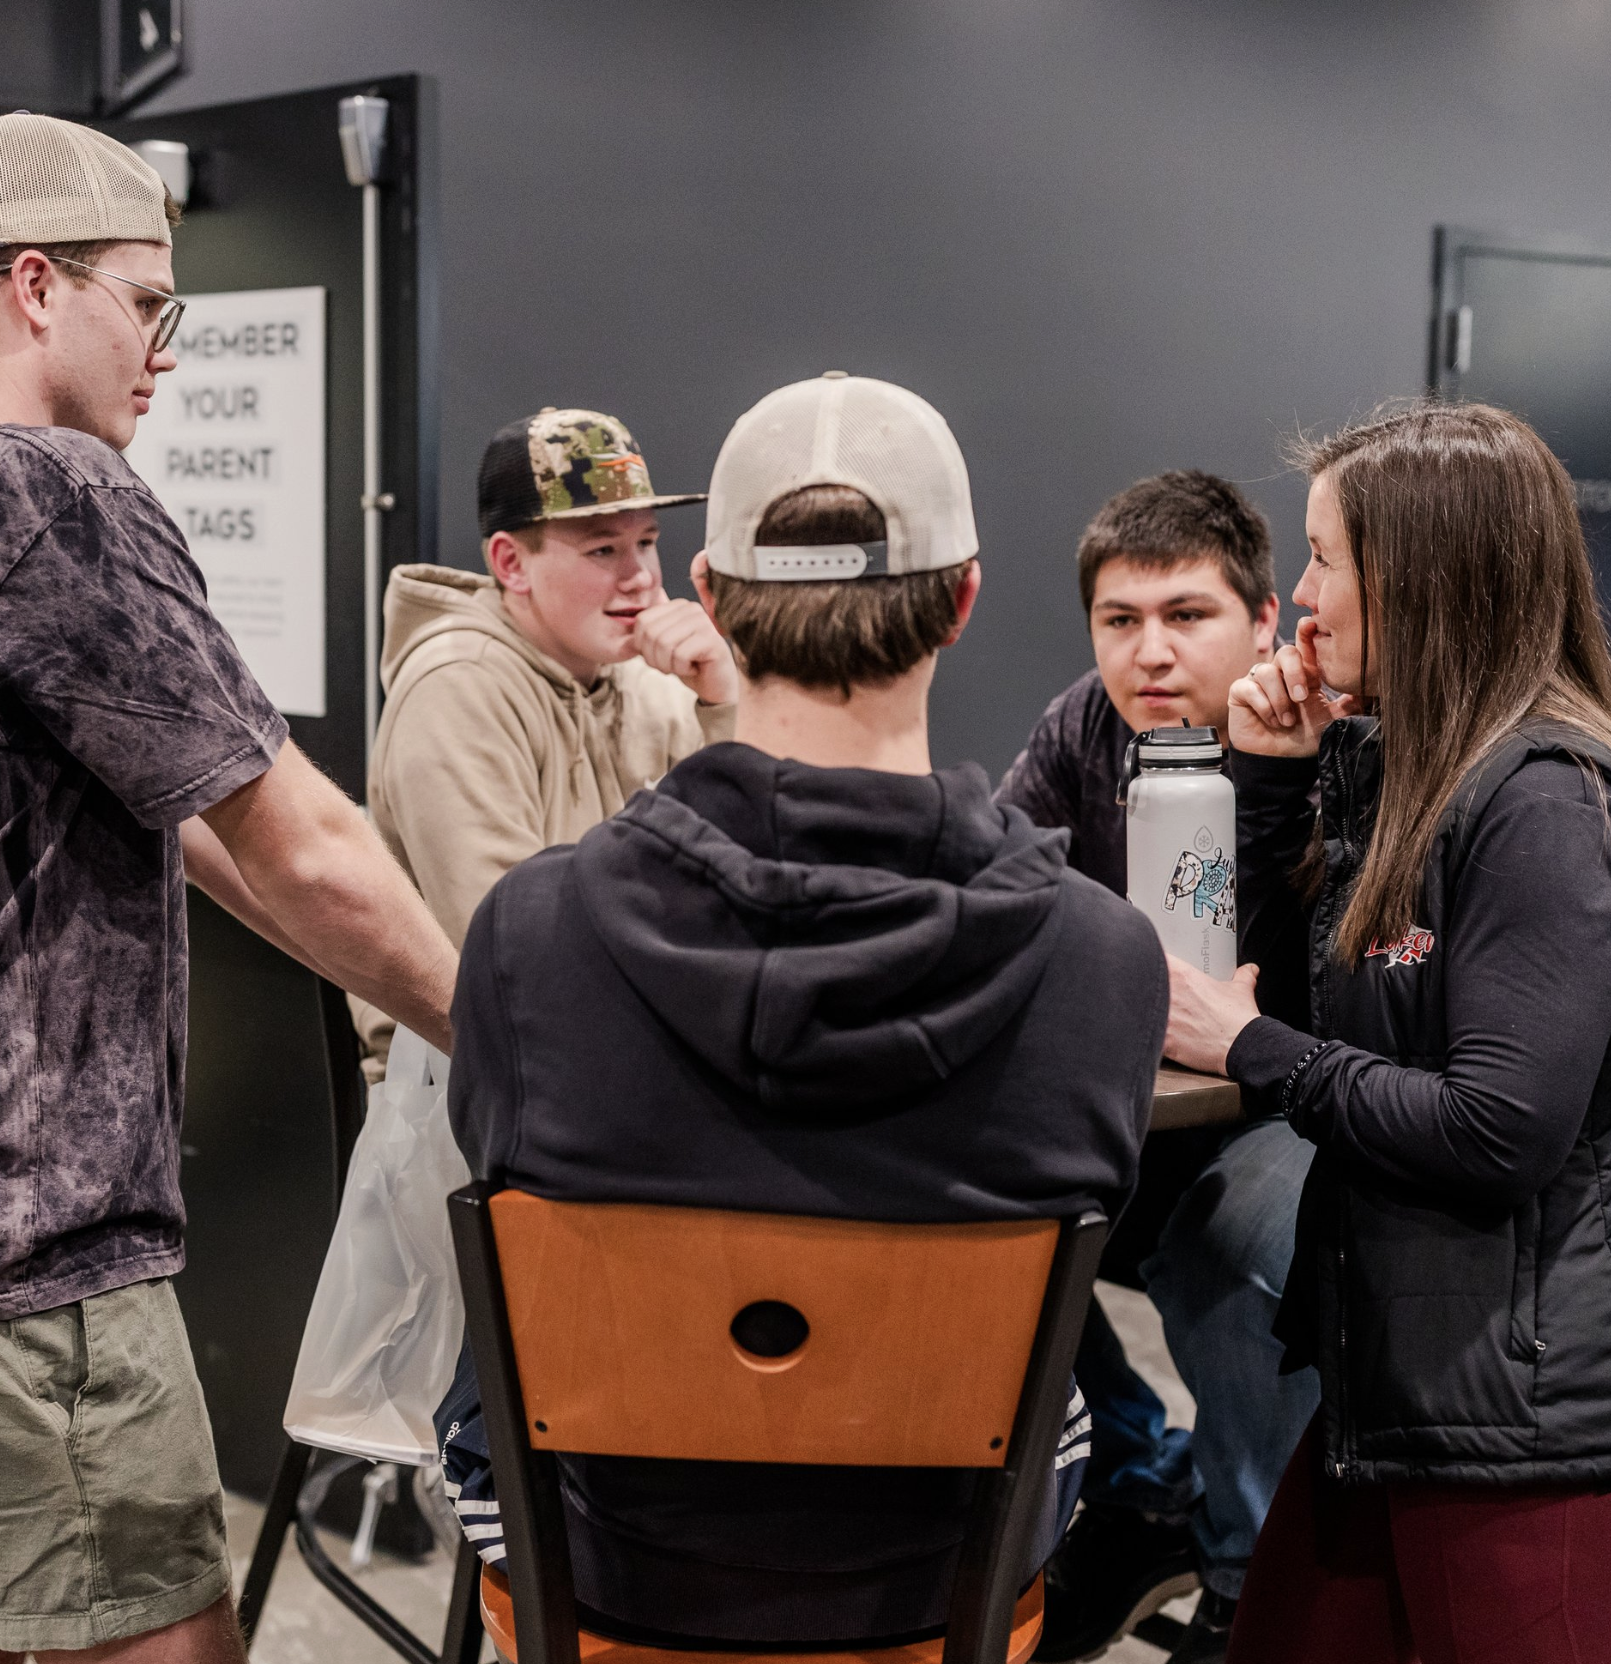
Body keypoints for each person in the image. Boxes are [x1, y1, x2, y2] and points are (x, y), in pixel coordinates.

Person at [0, 113, 459, 1663]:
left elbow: (168, 801)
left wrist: (340, 954)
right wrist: (508, 1029)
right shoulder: (51, 496)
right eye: (150, 299)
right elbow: (298, 837)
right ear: (37, 286)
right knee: (166, 1645)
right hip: (15, 1249)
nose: (167, 347)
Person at [436, 372, 1168, 1646]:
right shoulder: (1106, 962)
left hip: (609, 1584)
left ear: (710, 597)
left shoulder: (526, 937)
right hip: (944, 1590)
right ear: (963, 598)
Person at [1168, 402, 1611, 1663]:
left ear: (1418, 578)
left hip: (1520, 1419)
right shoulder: (1409, 769)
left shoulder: (1541, 799)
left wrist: (1253, 1046)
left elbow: (1498, 1127)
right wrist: (1264, 778)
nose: (1301, 596)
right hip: (1402, 1381)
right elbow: (1313, 1011)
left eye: (1323, 557)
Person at [996, 472, 1316, 1663]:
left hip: (1292, 1100)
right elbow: (1002, 886)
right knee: (978, 1196)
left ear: (1266, 616)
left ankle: (1248, 1581)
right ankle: (1141, 1479)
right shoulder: (1085, 724)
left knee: (1233, 1241)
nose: (1151, 652)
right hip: (1140, 1107)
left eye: (1187, 614)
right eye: (1121, 620)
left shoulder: (1338, 737)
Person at [349, 407, 736, 1079]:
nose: (641, 575)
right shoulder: (457, 688)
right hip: (481, 1081)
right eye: (602, 549)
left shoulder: (651, 677)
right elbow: (516, 955)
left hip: (639, 1045)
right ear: (510, 564)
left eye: (646, 541)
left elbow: (758, 882)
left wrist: (725, 701)